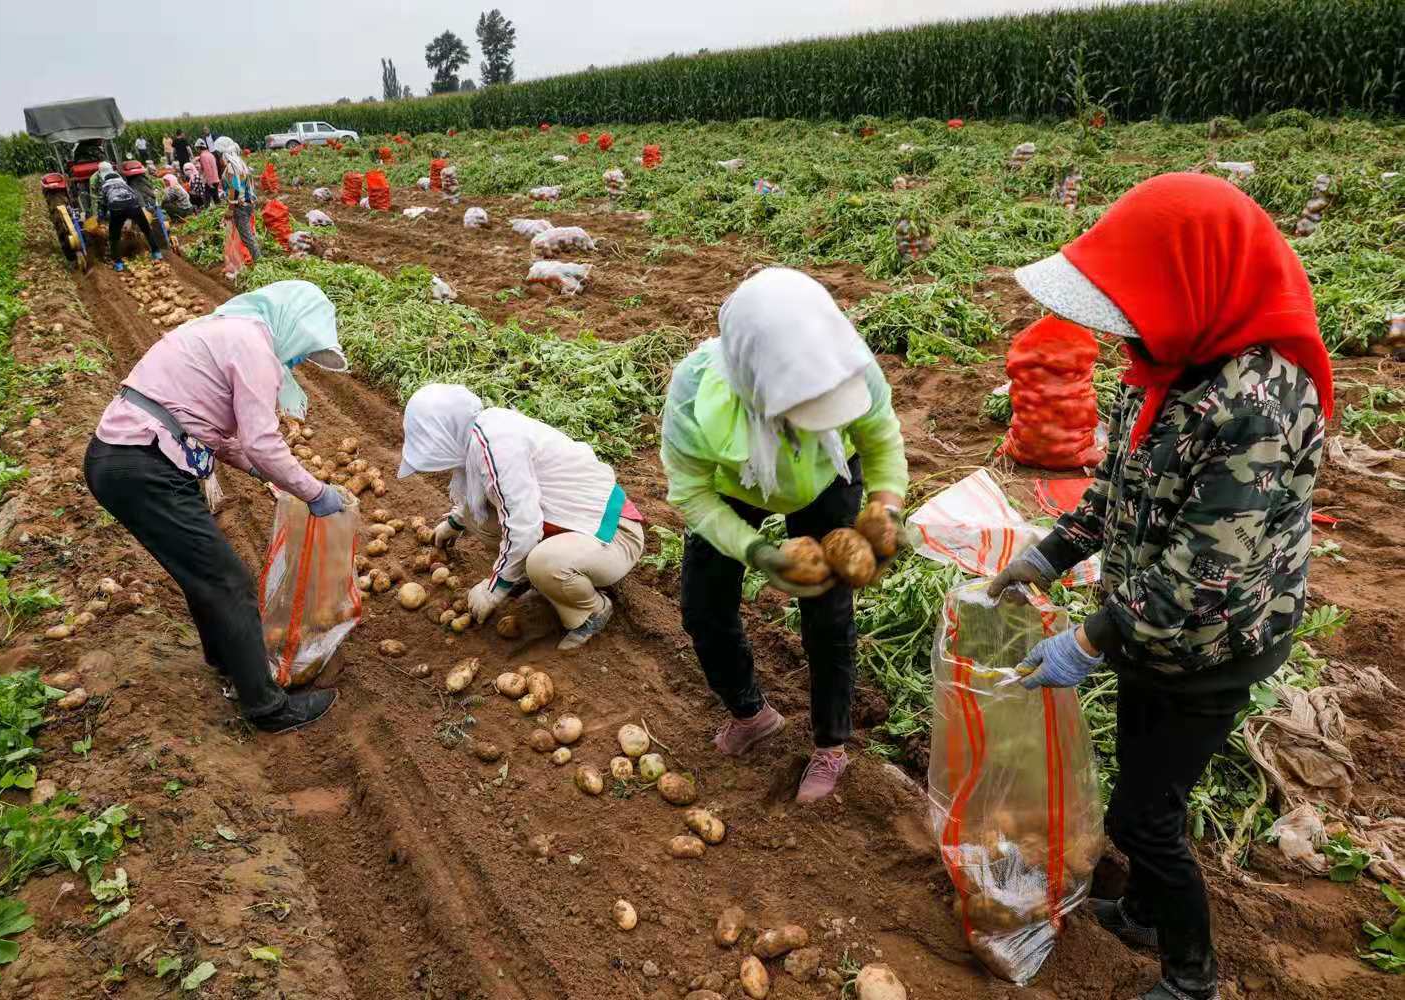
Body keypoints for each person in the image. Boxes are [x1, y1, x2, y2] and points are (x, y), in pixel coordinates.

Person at [986, 173, 1330, 1000]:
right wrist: (1053, 552)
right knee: (1143, 776)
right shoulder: (1165, 364)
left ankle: (1191, 978)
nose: (1125, 330)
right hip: (1150, 627)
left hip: (1216, 645)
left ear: (1192, 281)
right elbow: (1118, 489)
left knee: (1147, 816)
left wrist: (1089, 639)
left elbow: (1203, 579)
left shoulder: (1260, 405)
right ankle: (1140, 910)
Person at [661, 267, 909, 804]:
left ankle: (831, 745)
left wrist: (887, 507)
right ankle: (750, 714)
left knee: (828, 609)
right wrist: (758, 552)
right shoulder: (693, 392)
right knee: (703, 606)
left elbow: (882, 441)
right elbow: (691, 493)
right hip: (734, 483)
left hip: (827, 476)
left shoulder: (853, 368)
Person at [83, 280, 351, 733]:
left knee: (203, 574)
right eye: (306, 349)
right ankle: (267, 708)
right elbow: (262, 442)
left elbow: (218, 435)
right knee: (229, 582)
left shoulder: (231, 330)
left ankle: (228, 659)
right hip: (143, 465)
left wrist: (267, 475)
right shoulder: (253, 346)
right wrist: (314, 492)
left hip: (125, 459)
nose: (302, 361)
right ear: (295, 325)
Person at [399, 385, 646, 650]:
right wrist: (455, 523)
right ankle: (539, 578)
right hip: (565, 526)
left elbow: (525, 529)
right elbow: (486, 496)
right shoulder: (478, 435)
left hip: (612, 534)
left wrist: (493, 590)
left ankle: (591, 611)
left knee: (543, 563)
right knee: (478, 518)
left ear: (447, 429)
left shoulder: (498, 446)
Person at [94, 162, 162, 271]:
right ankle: (156, 253)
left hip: (116, 208)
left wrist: (101, 219)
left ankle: (119, 264)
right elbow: (134, 195)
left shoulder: (104, 186)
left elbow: (101, 204)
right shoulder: (123, 183)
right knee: (146, 229)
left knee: (114, 238)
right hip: (133, 205)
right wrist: (135, 216)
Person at [215, 137, 261, 262]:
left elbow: (234, 189)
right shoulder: (239, 163)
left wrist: (230, 209)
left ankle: (260, 261)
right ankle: (257, 258)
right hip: (247, 202)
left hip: (240, 205)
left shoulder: (231, 167)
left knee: (247, 237)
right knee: (248, 234)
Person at [196, 140, 221, 209]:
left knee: (207, 197)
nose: (197, 151)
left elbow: (207, 170)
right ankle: (220, 209)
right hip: (216, 178)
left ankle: (205, 212)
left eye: (197, 149)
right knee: (215, 197)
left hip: (210, 180)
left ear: (199, 148)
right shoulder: (210, 154)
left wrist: (209, 182)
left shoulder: (203, 156)